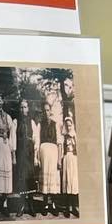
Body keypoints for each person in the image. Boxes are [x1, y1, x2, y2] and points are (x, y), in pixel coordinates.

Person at [37, 85, 63, 215]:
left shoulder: (55, 124)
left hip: (53, 153)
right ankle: (45, 205)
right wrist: (37, 158)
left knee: (53, 179)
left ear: (50, 111)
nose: (46, 112)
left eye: (48, 110)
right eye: (44, 110)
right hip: (43, 153)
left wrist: (59, 160)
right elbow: (37, 142)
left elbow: (59, 142)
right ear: (43, 111)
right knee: (45, 179)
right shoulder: (40, 124)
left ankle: (53, 205)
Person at [13, 95, 39, 208]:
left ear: (28, 109)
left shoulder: (32, 122)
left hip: (29, 153)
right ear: (19, 109)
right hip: (20, 153)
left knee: (30, 178)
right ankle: (21, 206)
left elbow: (36, 140)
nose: (23, 109)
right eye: (21, 107)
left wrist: (36, 157)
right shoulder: (15, 122)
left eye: (25, 107)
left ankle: (31, 205)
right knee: (21, 178)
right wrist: (14, 156)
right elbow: (13, 140)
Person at [61, 113, 79, 216]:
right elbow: (62, 149)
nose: (68, 127)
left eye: (70, 125)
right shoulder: (64, 136)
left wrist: (73, 140)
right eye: (67, 125)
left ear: (72, 125)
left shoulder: (75, 136)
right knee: (67, 181)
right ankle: (67, 207)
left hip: (74, 158)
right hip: (67, 158)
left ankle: (74, 207)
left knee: (74, 182)